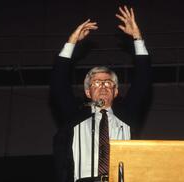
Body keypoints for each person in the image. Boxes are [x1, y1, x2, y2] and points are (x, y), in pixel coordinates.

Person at [51, 6, 151, 182]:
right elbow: (59, 85)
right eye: (96, 83)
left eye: (108, 83)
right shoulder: (75, 116)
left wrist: (137, 37)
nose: (103, 86)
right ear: (88, 92)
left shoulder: (128, 116)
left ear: (116, 91)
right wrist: (71, 42)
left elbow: (143, 82)